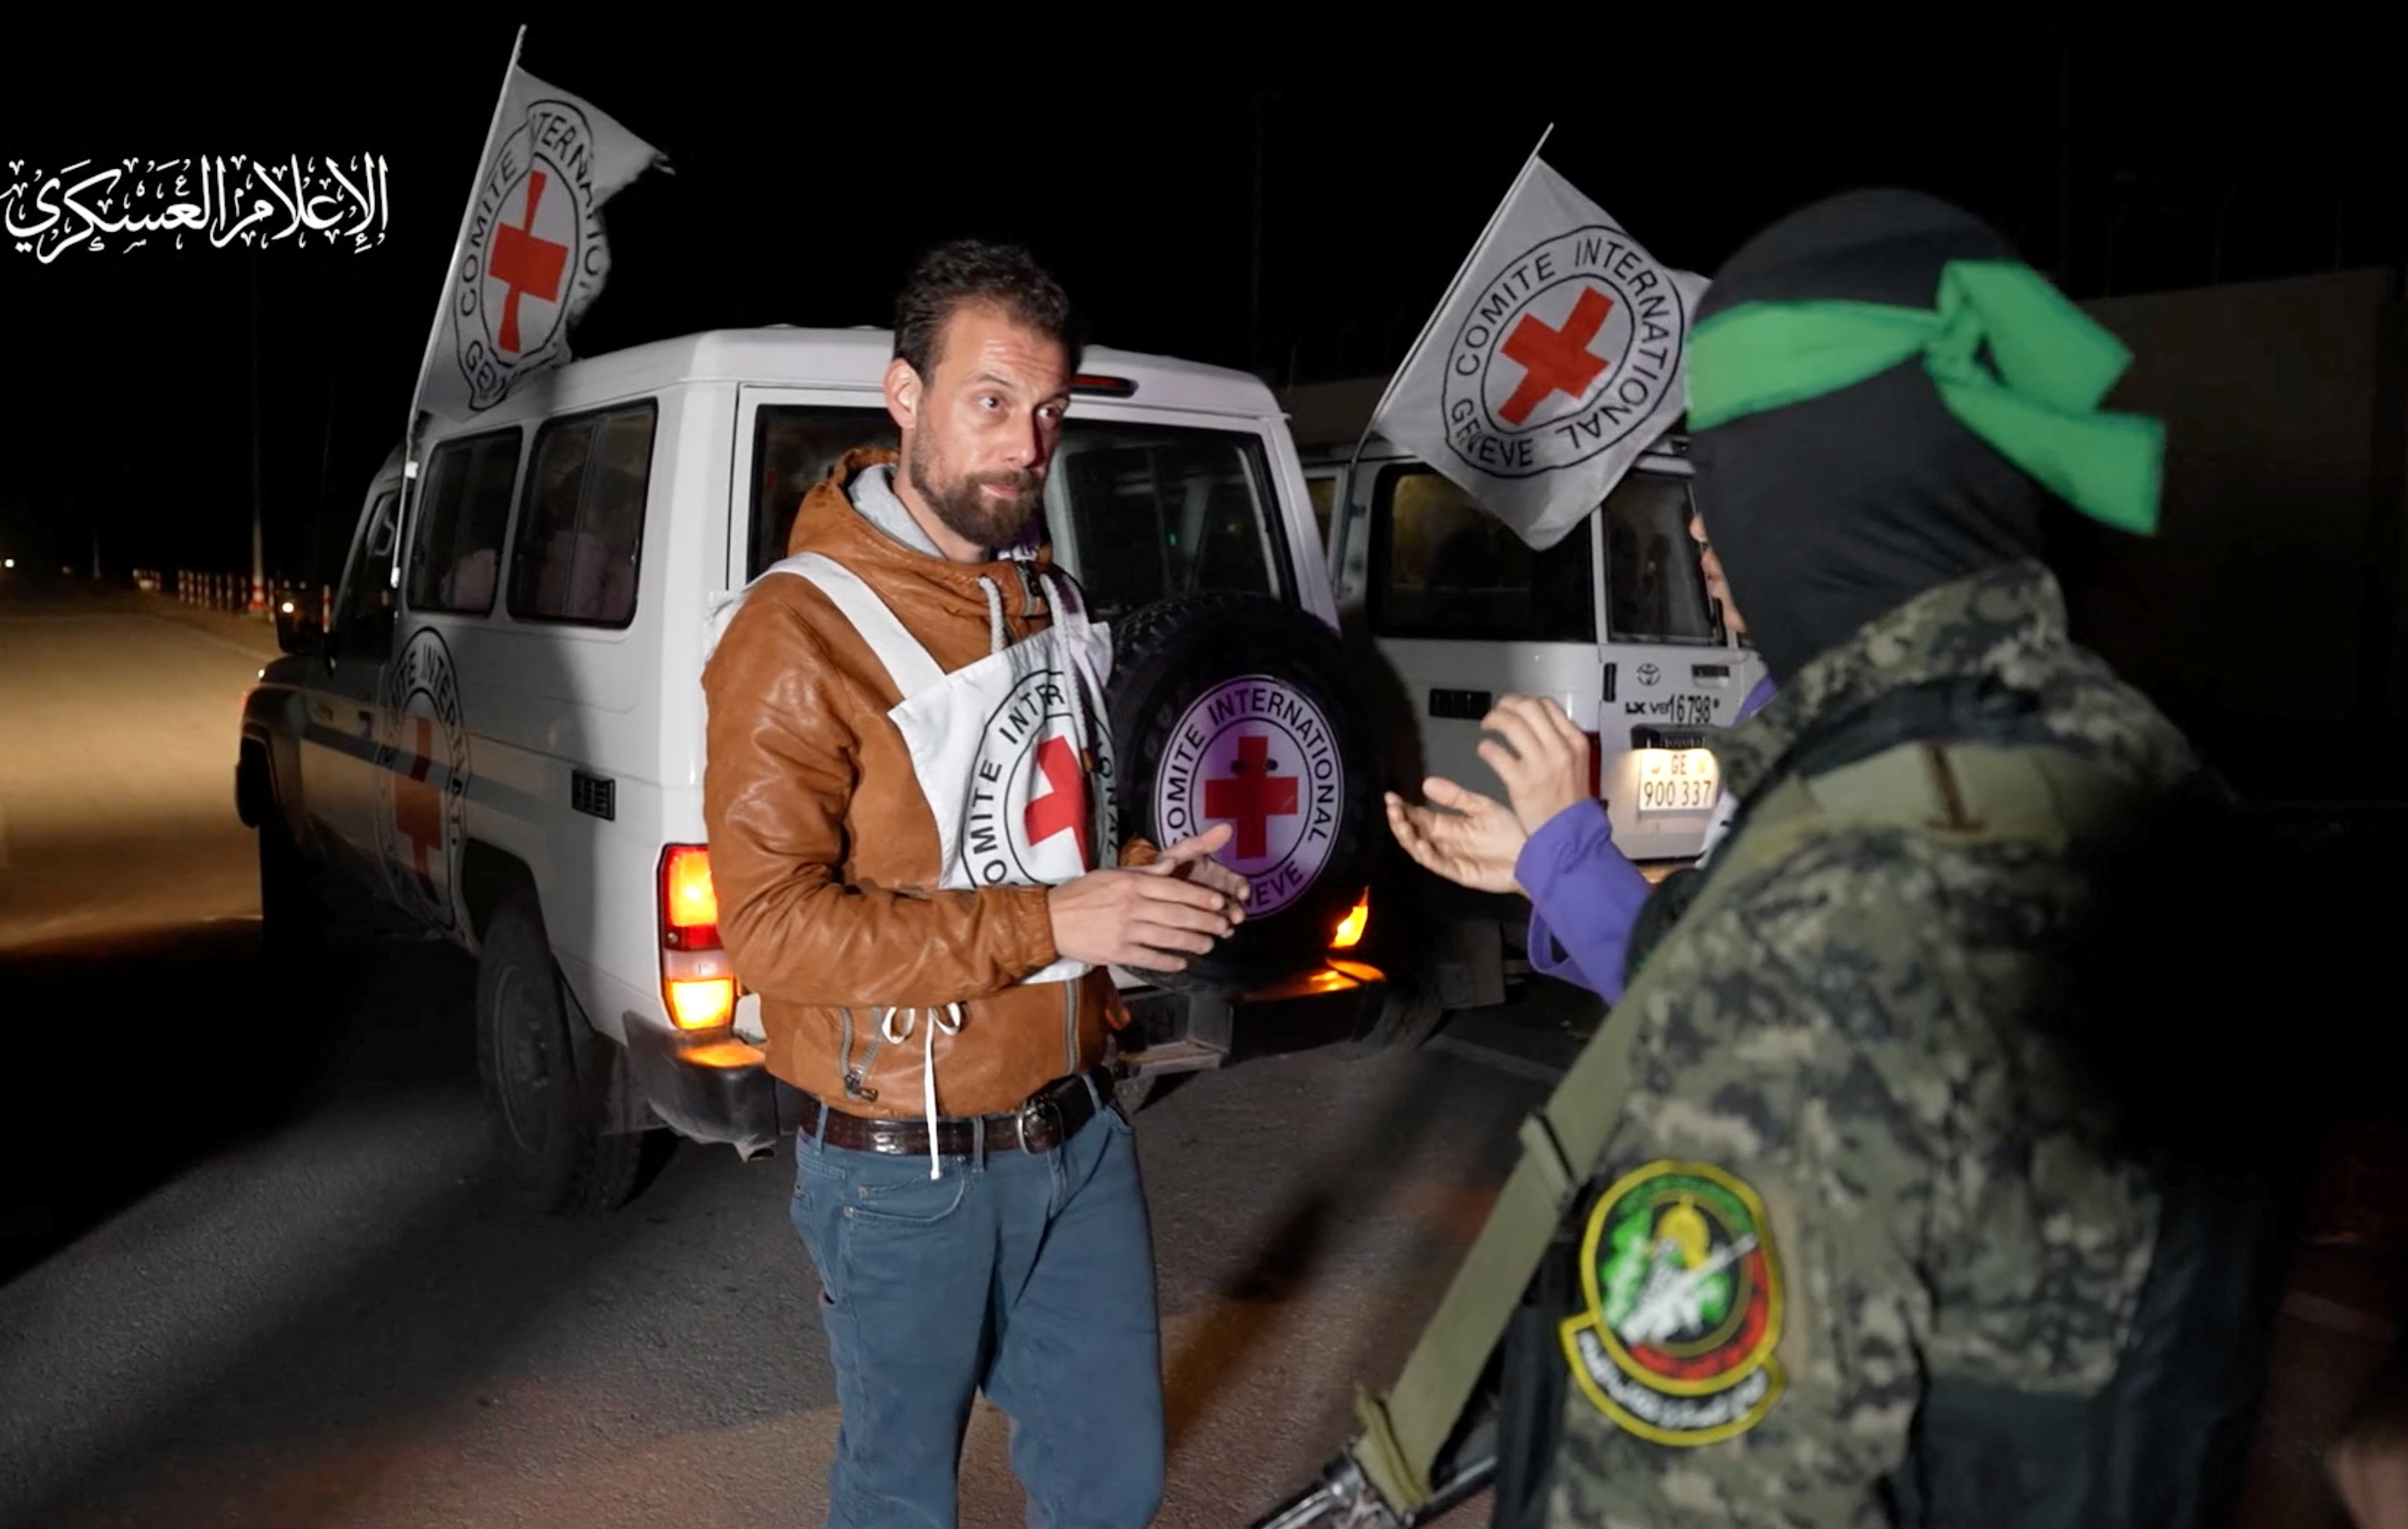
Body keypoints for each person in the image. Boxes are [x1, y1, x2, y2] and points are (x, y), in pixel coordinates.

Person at [1306, 189, 2289, 1529]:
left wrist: (1577, 860)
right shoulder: (2131, 775)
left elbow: (1691, 1485)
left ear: (1814, 478)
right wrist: (1551, 865)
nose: (1704, 530)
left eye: (1723, 474)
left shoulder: (1842, 898)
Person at [699, 241, 1249, 1529]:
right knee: (900, 1497)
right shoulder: (796, 630)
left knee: (1111, 1479)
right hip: (903, 1165)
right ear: (903, 396)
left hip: (1078, 1124)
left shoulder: (1043, 593)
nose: (1027, 441)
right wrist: (1060, 918)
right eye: (990, 400)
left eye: (1048, 409)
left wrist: (1131, 886)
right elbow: (768, 926)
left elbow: (1014, 837)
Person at [1383, 511, 1772, 1002]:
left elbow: (1714, 1008)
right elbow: (1685, 955)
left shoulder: (1855, 734)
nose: (1697, 525)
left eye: (1732, 476)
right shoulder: (1777, 702)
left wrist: (1565, 858)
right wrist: (1535, 866)